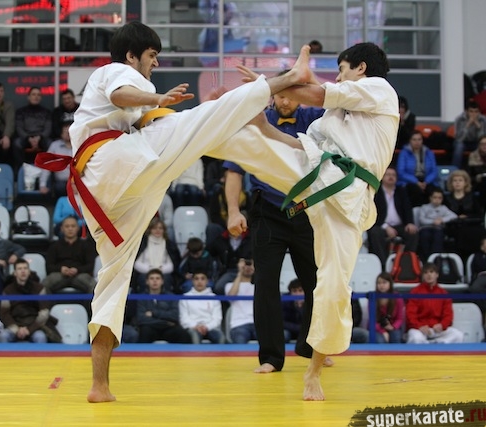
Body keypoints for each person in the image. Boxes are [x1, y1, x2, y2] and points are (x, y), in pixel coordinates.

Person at [36, 22, 397, 402]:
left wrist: (260, 105)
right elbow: (123, 93)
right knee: (203, 123)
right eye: (153, 56)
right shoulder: (114, 71)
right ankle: (254, 100)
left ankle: (100, 385)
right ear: (131, 55)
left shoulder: (376, 90)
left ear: (361, 68)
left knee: (113, 281)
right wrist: (266, 89)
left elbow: (311, 107)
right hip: (115, 166)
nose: (155, 63)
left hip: (111, 194)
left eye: (342, 68)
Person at [224, 69, 324, 373]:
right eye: (279, 95)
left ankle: (312, 347)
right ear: (271, 96)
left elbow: (332, 99)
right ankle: (270, 357)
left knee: (317, 282)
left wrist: (306, 79)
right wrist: (233, 210)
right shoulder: (256, 120)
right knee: (265, 283)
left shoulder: (313, 119)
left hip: (307, 210)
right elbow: (234, 171)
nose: (285, 101)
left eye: (291, 95)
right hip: (268, 210)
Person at [367, 167, 419, 267]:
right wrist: (386, 227)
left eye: (393, 175)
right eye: (388, 174)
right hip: (381, 225)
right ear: (382, 177)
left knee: (413, 233)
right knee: (375, 232)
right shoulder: (376, 192)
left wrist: (410, 223)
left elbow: (407, 209)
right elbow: (372, 212)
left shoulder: (401, 191)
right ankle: (382, 265)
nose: (391, 177)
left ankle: (405, 264)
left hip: (399, 226)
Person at [405, 262, 464, 344]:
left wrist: (442, 325)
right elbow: (410, 314)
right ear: (423, 276)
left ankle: (437, 343)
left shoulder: (443, 293)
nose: (429, 275)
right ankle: (434, 344)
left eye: (431, 272)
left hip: (438, 329)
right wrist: (419, 326)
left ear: (437, 275)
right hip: (421, 329)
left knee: (458, 335)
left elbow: (448, 315)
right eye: (426, 273)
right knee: (415, 338)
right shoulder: (415, 292)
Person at [0, 258, 51, 343]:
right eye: (19, 269)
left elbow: (44, 313)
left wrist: (29, 330)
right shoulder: (7, 290)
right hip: (14, 326)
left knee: (40, 337)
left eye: (25, 268)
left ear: (29, 272)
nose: (23, 271)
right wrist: (16, 330)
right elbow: (4, 314)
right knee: (3, 336)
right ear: (15, 273)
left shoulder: (39, 288)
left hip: (34, 326)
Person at [41, 216, 98, 294]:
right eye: (67, 226)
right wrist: (61, 269)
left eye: (73, 226)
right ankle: (45, 303)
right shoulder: (54, 246)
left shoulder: (86, 245)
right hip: (59, 274)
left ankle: (91, 303)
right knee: (44, 285)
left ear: (78, 228)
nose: (70, 229)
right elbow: (49, 266)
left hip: (80, 274)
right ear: (62, 229)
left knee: (94, 285)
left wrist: (77, 270)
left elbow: (90, 265)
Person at [135, 269, 191, 343]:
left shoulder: (171, 296)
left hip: (168, 329)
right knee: (144, 331)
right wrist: (165, 322)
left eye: (157, 278)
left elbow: (174, 316)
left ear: (162, 281)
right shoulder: (141, 297)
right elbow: (141, 319)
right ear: (147, 282)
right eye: (152, 278)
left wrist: (153, 313)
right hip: (151, 328)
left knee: (183, 334)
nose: (155, 281)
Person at [444, 169, 484, 259]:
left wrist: (467, 217)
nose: (457, 183)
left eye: (460, 180)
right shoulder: (446, 199)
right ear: (451, 183)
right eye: (455, 180)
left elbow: (479, 215)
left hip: (470, 224)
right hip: (453, 226)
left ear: (465, 183)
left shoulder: (472, 197)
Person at [133, 217, 180, 293]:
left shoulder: (169, 244)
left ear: (164, 230)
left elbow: (172, 265)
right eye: (155, 228)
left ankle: (166, 299)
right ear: (150, 230)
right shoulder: (142, 243)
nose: (158, 230)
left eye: (160, 228)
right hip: (145, 272)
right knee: (142, 278)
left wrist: (159, 270)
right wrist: (150, 270)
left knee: (167, 279)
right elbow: (136, 264)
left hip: (163, 272)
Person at [178, 270, 224, 344]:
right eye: (196, 279)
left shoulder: (214, 297)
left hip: (211, 328)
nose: (199, 282)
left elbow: (217, 318)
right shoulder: (185, 297)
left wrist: (206, 327)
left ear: (207, 281)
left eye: (202, 279)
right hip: (193, 328)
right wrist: (196, 326)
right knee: (194, 337)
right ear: (192, 281)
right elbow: (184, 319)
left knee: (221, 337)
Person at [14, 87, 52, 172]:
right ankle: (20, 171)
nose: (36, 97)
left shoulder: (46, 112)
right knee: (17, 143)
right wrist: (28, 138)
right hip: (25, 138)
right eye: (33, 94)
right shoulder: (21, 111)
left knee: (51, 144)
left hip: (41, 138)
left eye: (38, 95)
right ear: (28, 97)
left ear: (41, 98)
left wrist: (39, 138)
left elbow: (48, 128)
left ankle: (47, 171)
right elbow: (19, 128)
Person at [396, 130, 438, 207]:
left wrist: (426, 182)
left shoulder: (429, 153)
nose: (417, 142)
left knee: (434, 191)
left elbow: (434, 171)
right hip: (410, 181)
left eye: (419, 139)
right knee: (415, 191)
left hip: (426, 180)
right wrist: (416, 182)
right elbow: (401, 172)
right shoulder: (404, 153)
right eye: (414, 139)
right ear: (410, 141)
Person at [417, 188, 457, 261]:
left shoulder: (443, 208)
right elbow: (422, 220)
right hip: (425, 228)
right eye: (435, 197)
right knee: (425, 236)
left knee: (438, 236)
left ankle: (435, 258)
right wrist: (433, 221)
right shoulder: (424, 207)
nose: (437, 200)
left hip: (438, 229)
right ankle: (426, 259)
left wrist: (442, 220)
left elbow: (454, 216)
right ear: (430, 198)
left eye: (439, 198)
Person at [225, 258, 256, 344]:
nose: (247, 267)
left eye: (250, 264)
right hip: (239, 324)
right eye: (245, 264)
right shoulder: (229, 285)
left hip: (259, 324)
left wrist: (256, 268)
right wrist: (240, 273)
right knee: (240, 341)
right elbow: (231, 296)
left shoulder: (259, 286)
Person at [39, 120, 72, 199]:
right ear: (61, 134)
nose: (68, 134)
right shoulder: (55, 146)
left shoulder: (80, 145)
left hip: (78, 182)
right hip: (61, 183)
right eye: (66, 132)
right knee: (59, 187)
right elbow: (47, 165)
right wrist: (42, 185)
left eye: (70, 132)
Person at [452, 100, 486, 168]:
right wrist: (467, 126)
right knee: (459, 147)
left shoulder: (483, 119)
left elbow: (483, 138)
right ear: (466, 111)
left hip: (476, 142)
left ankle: (482, 169)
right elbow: (459, 138)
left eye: (476, 112)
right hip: (462, 142)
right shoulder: (459, 119)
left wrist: (478, 127)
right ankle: (455, 169)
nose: (473, 114)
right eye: (471, 111)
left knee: (483, 146)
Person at [374, 272, 405, 344]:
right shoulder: (373, 298)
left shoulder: (397, 298)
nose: (381, 285)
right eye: (379, 283)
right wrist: (383, 331)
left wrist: (393, 327)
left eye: (384, 282)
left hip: (393, 326)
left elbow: (400, 319)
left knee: (396, 337)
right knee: (380, 340)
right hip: (377, 328)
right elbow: (372, 321)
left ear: (390, 283)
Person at [282, 279, 306, 343]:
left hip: (306, 331)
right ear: (290, 293)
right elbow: (281, 322)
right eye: (294, 291)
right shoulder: (284, 302)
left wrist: (300, 308)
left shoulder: (311, 302)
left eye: (300, 290)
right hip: (290, 330)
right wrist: (299, 328)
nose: (297, 294)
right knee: (284, 334)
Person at [467, 135, 486, 207]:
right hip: (477, 182)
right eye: (482, 144)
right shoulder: (473, 155)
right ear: (479, 145)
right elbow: (469, 175)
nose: (484, 146)